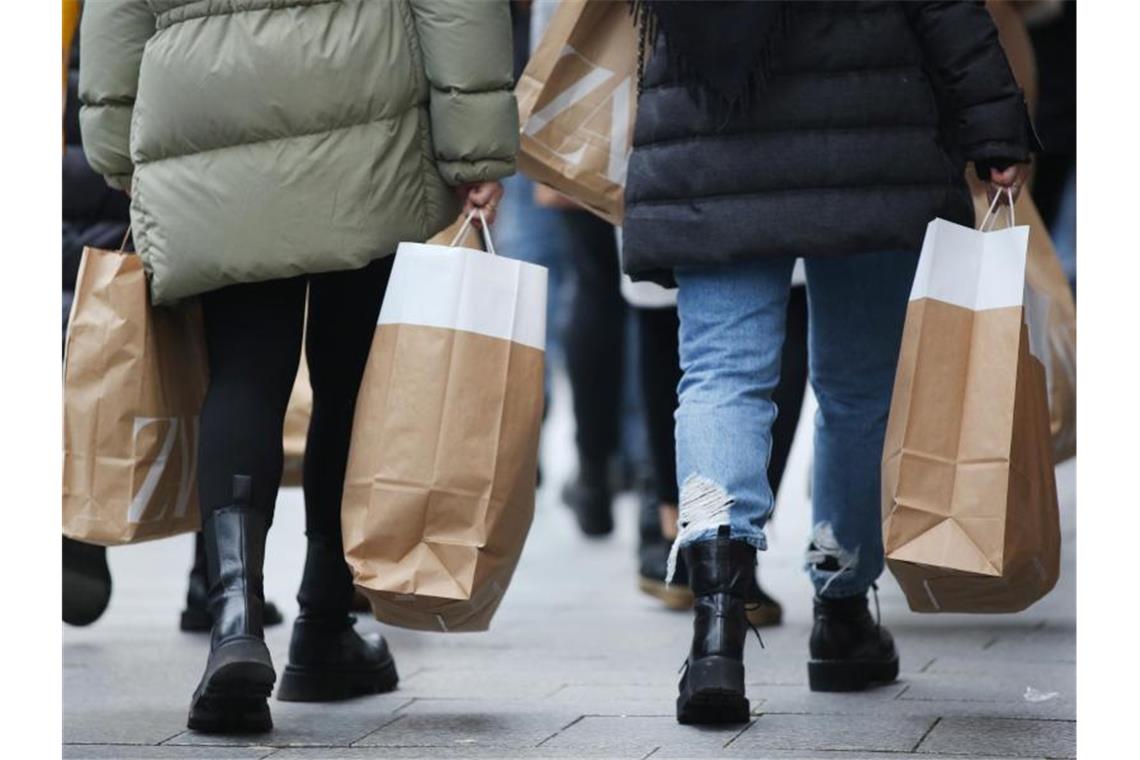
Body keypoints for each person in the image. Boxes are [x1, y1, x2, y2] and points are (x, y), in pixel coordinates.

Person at [79, 0, 518, 734]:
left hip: (207, 110)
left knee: (244, 369)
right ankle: (324, 620)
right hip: (369, 107)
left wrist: (116, 147)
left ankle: (236, 623)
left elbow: (116, 10)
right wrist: (476, 150)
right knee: (355, 381)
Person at [623, 1, 1037, 725]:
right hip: (870, 132)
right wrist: (993, 124)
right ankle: (841, 610)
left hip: (710, 127)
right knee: (858, 390)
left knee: (721, 377)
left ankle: (716, 627)